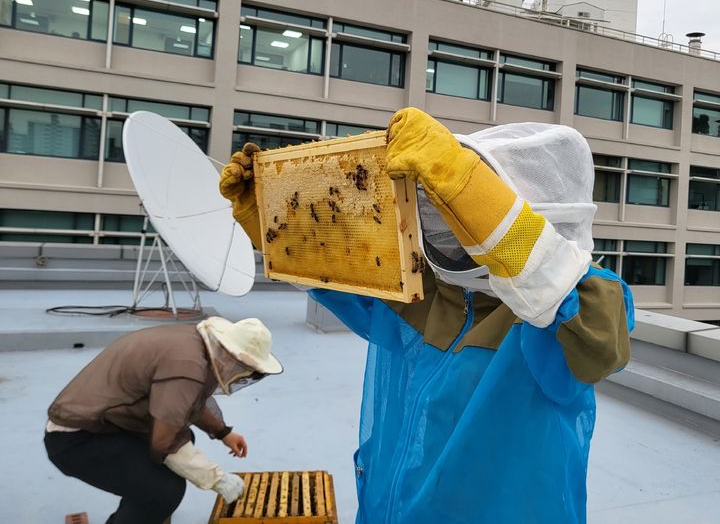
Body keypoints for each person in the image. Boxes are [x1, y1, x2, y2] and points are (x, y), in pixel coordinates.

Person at [220, 108, 633, 524]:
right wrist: (275, 230)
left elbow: (593, 335)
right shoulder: (431, 293)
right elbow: (339, 282)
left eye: (465, 205)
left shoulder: (577, 307)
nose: (447, 222)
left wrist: (469, 188)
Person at [44, 316, 282, 524]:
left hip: (107, 421)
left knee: (181, 444)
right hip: (76, 438)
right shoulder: (186, 365)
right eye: (244, 367)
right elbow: (164, 441)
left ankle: (144, 513)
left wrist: (223, 432)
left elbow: (186, 403)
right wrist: (218, 479)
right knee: (164, 491)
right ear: (232, 357)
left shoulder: (193, 344)